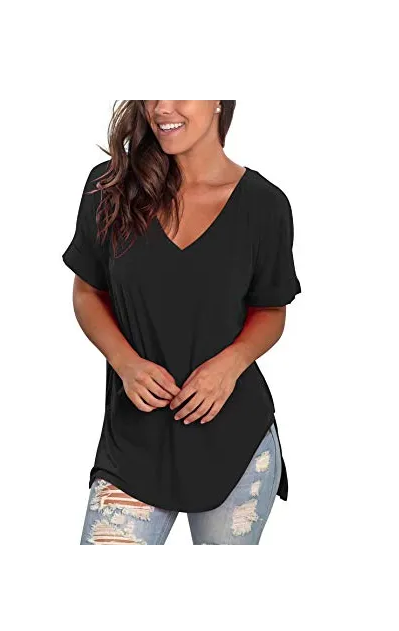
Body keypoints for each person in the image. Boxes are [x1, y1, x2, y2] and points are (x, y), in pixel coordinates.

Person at [62, 98, 302, 551]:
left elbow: (271, 310)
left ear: (219, 99)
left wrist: (229, 365)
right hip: (132, 446)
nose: (162, 107)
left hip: (234, 446)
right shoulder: (110, 186)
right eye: (153, 91)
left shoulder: (264, 205)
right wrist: (125, 362)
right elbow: (87, 292)